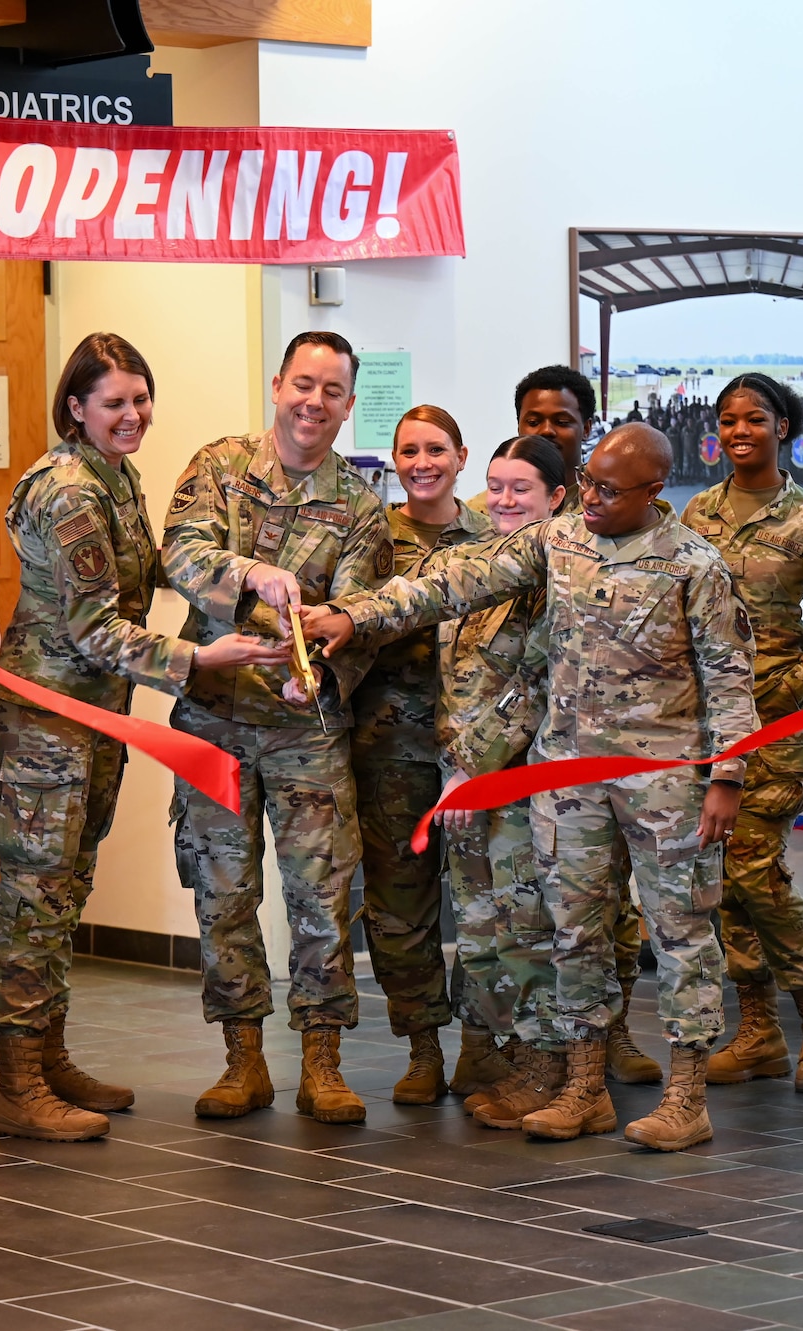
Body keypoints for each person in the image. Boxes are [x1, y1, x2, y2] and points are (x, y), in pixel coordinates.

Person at [305, 423, 757, 1150]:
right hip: (566, 776)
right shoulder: (560, 541)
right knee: (574, 930)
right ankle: (582, 1086)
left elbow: (729, 677)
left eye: (611, 491)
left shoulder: (694, 564)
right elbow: (454, 580)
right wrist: (354, 614)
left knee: (681, 933)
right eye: (588, 485)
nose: (593, 500)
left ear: (655, 491)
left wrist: (726, 775)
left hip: (661, 779)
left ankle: (686, 1094)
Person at [0, 333, 287, 1141]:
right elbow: (90, 627)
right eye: (114, 402)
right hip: (49, 718)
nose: (133, 414)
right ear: (76, 408)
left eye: (140, 398)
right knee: (34, 895)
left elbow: (150, 568)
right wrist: (197, 657)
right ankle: (17, 1082)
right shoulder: (70, 491)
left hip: (95, 716)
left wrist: (242, 579)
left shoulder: (115, 476)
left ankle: (47, 1055)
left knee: (67, 886)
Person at [164, 330, 392, 1126]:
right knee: (222, 893)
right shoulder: (220, 466)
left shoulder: (364, 507)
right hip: (214, 721)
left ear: (349, 404)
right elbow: (181, 553)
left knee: (321, 897)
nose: (313, 402)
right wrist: (252, 575)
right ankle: (243, 1060)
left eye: (332, 391)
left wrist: (322, 670)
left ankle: (323, 1062)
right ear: (277, 384)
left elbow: (362, 613)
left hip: (307, 731)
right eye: (303, 384)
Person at [473, 366, 655, 1086]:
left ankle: (598, 1049)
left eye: (562, 421)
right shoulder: (482, 539)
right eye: (533, 419)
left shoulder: (601, 544)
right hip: (501, 769)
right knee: (512, 923)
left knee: (599, 916)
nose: (547, 431)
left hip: (589, 766)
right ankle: (528, 1058)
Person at [682, 374, 803, 1093]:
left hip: (774, 729)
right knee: (722, 879)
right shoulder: (697, 511)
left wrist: (799, 682)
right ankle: (757, 1029)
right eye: (728, 420)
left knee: (756, 871)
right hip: (705, 726)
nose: (740, 430)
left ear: (785, 427)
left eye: (756, 418)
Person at [348, 405, 489, 1103]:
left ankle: (485, 1044)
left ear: (462, 456)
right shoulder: (371, 537)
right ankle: (423, 1045)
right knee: (400, 905)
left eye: (437, 448)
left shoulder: (493, 537)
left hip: (477, 753)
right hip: (390, 749)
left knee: (485, 900)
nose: (422, 462)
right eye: (409, 450)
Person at [434, 436, 568, 1114]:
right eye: (496, 485)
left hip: (524, 786)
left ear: (557, 498)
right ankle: (507, 1055)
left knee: (527, 931)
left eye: (522, 487)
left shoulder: (556, 578)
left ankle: (549, 1068)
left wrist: (468, 768)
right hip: (466, 784)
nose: (506, 499)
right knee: (482, 930)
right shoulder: (473, 570)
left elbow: (535, 687)